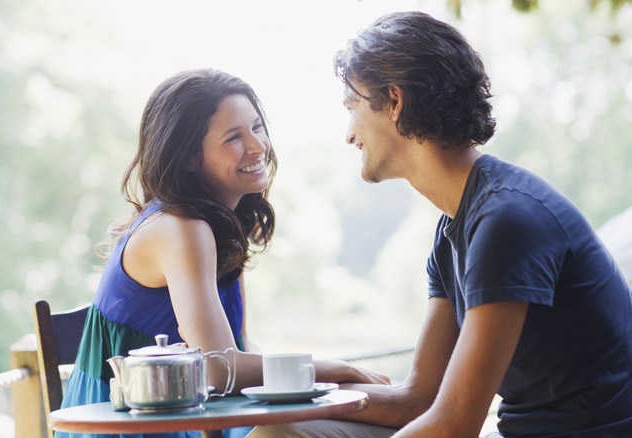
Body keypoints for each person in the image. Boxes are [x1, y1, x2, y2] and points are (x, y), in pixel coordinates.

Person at [248, 11, 632, 438]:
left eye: (352, 106)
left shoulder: (506, 220)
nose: (349, 134)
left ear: (395, 102)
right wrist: (289, 398)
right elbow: (420, 399)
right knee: (282, 431)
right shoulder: (453, 229)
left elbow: (454, 424)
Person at [57, 68, 388, 438]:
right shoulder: (182, 229)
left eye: (257, 127)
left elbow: (240, 347)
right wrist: (333, 368)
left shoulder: (220, 228)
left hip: (205, 419)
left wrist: (323, 378)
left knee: (375, 411)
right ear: (189, 159)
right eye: (233, 138)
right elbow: (219, 368)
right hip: (138, 429)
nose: (257, 146)